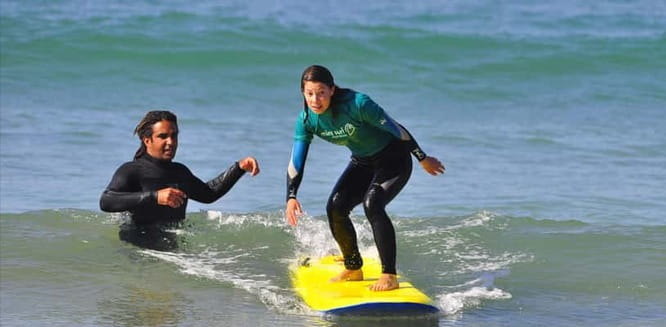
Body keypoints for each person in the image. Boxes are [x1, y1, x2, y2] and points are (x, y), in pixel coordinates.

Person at [285, 65, 445, 291]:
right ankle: (353, 268)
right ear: (302, 92)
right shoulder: (307, 121)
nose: (315, 100)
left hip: (394, 159)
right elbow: (296, 160)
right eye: (309, 93)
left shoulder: (358, 104)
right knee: (336, 207)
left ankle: (389, 275)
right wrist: (291, 195)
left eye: (321, 92)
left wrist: (422, 158)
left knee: (373, 203)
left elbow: (397, 129)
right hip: (363, 162)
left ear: (332, 89)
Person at [100, 110, 260, 249]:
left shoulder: (179, 172)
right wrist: (155, 196)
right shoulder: (131, 170)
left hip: (173, 250)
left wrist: (239, 168)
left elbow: (209, 194)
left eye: (174, 136)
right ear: (147, 140)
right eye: (163, 136)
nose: (171, 142)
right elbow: (106, 201)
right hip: (138, 250)